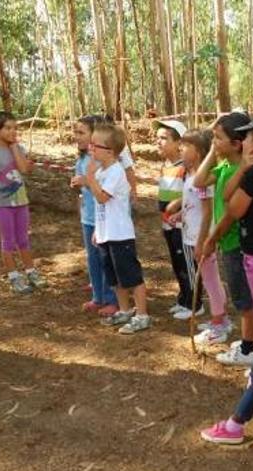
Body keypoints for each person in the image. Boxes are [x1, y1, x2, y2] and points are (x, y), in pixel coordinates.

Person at [199, 114, 253, 445]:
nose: (245, 141)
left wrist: (246, 167)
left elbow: (229, 205)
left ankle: (242, 414)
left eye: (250, 137)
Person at [193, 113, 253, 367]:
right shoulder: (223, 167)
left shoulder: (242, 171)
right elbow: (198, 181)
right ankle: (250, 342)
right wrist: (212, 151)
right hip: (225, 243)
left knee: (245, 300)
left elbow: (231, 210)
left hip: (234, 244)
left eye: (218, 138)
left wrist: (212, 238)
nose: (214, 142)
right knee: (243, 297)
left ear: (236, 144)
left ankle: (249, 347)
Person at [84, 123, 151, 335]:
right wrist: (98, 230)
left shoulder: (115, 172)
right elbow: (99, 206)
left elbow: (102, 197)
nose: (91, 148)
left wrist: (90, 178)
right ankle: (124, 310)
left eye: (95, 145)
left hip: (121, 235)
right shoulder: (103, 171)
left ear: (110, 151)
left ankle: (142, 315)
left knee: (131, 276)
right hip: (106, 234)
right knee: (114, 278)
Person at [170, 130, 232, 338]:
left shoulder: (202, 178)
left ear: (198, 153)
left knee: (211, 279)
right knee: (209, 277)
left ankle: (219, 322)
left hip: (201, 236)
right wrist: (180, 214)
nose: (180, 149)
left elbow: (207, 212)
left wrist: (202, 241)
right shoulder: (190, 175)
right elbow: (193, 204)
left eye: (185, 146)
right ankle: (220, 317)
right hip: (194, 233)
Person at [0, 111, 47, 294]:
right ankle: (14, 276)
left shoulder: (19, 149)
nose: (12, 131)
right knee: (8, 240)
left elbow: (24, 168)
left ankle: (31, 271)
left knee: (23, 239)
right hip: (1, 204)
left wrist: (15, 147)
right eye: (8, 128)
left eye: (15, 128)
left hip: (21, 202)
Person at [71, 115, 118, 316]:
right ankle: (97, 297)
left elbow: (104, 189)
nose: (76, 136)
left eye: (81, 132)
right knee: (93, 259)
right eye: (75, 132)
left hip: (104, 218)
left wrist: (86, 180)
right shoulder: (81, 159)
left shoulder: (101, 160)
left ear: (94, 135)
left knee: (105, 258)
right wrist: (77, 185)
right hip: (87, 217)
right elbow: (82, 189)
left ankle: (112, 299)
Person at [154, 120, 198, 320]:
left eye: (164, 138)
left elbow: (192, 192)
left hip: (182, 225)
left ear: (178, 142)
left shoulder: (185, 167)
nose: (159, 142)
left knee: (187, 263)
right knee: (176, 263)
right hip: (168, 224)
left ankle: (194, 303)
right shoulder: (165, 166)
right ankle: (183, 297)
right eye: (158, 138)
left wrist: (178, 205)